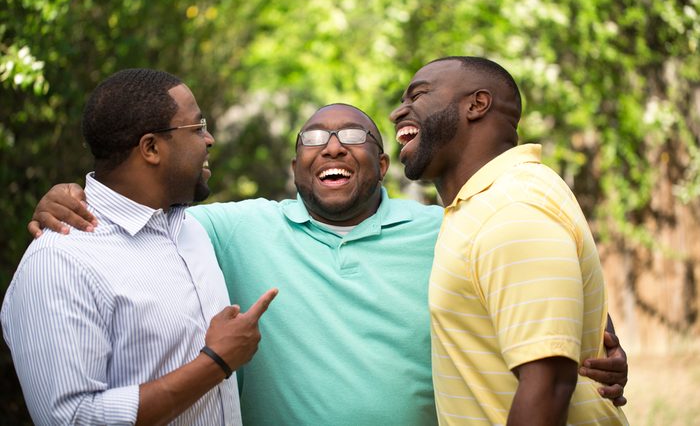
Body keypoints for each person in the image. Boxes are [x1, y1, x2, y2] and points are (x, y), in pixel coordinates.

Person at [27, 103, 628, 425]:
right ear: (295, 170)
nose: (332, 146)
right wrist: (67, 197)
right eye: (312, 139)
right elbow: (141, 213)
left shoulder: (447, 230)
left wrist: (599, 351)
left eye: (354, 136)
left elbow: (537, 296)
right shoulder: (228, 229)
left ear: (384, 165)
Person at [1, 68, 277, 425]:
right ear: (150, 148)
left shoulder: (191, 230)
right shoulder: (61, 260)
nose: (209, 139)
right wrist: (216, 362)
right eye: (197, 127)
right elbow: (71, 418)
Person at [390, 56, 628, 425]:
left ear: (477, 104)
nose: (396, 113)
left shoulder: (513, 208)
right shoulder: (484, 204)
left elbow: (548, 386)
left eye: (417, 96)